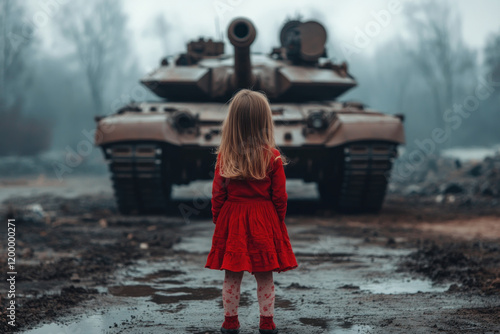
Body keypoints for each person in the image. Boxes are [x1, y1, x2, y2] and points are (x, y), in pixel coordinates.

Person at [205, 89, 298, 334]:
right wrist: (277, 222)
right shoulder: (273, 157)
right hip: (264, 221)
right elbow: (280, 196)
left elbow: (217, 195)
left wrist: (220, 221)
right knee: (265, 275)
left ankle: (230, 323)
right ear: (264, 122)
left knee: (232, 276)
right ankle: (267, 324)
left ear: (232, 122)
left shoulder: (225, 157)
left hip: (232, 220)